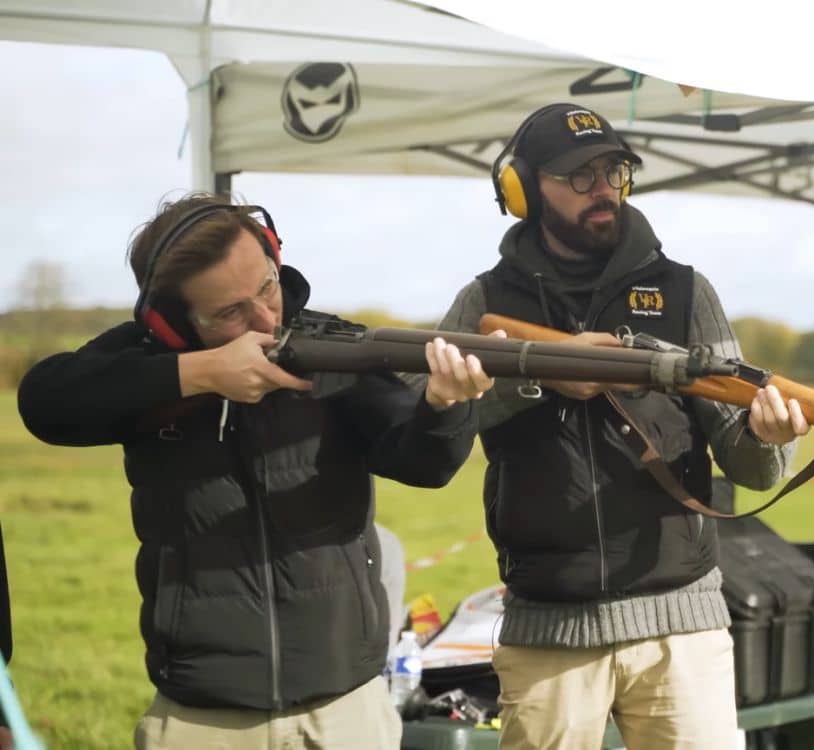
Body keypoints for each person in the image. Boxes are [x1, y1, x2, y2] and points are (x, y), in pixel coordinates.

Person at [17, 193, 496, 750]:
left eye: (267, 286)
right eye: (229, 312)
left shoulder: (329, 347)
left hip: (347, 707)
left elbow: (422, 464)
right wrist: (199, 373)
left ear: (274, 257)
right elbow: (44, 402)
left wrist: (446, 406)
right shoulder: (145, 364)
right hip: (203, 717)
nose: (266, 318)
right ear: (171, 324)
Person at [434, 103, 811, 749]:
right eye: (580, 176)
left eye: (613, 171)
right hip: (547, 626)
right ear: (523, 189)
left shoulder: (687, 293)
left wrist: (770, 439)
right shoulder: (485, 301)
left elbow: (746, 462)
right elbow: (432, 420)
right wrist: (540, 378)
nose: (603, 188)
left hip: (681, 625)